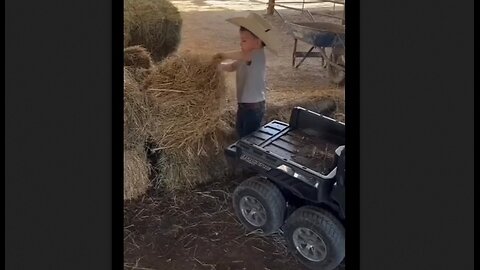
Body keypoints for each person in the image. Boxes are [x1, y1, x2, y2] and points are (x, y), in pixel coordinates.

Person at [213, 13, 278, 138]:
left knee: (250, 139)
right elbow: (231, 67)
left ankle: (248, 156)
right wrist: (217, 67)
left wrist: (222, 55)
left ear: (258, 41)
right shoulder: (245, 56)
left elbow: (243, 56)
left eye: (244, 40)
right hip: (243, 106)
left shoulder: (258, 55)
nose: (240, 43)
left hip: (254, 109)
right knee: (241, 133)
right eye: (240, 40)